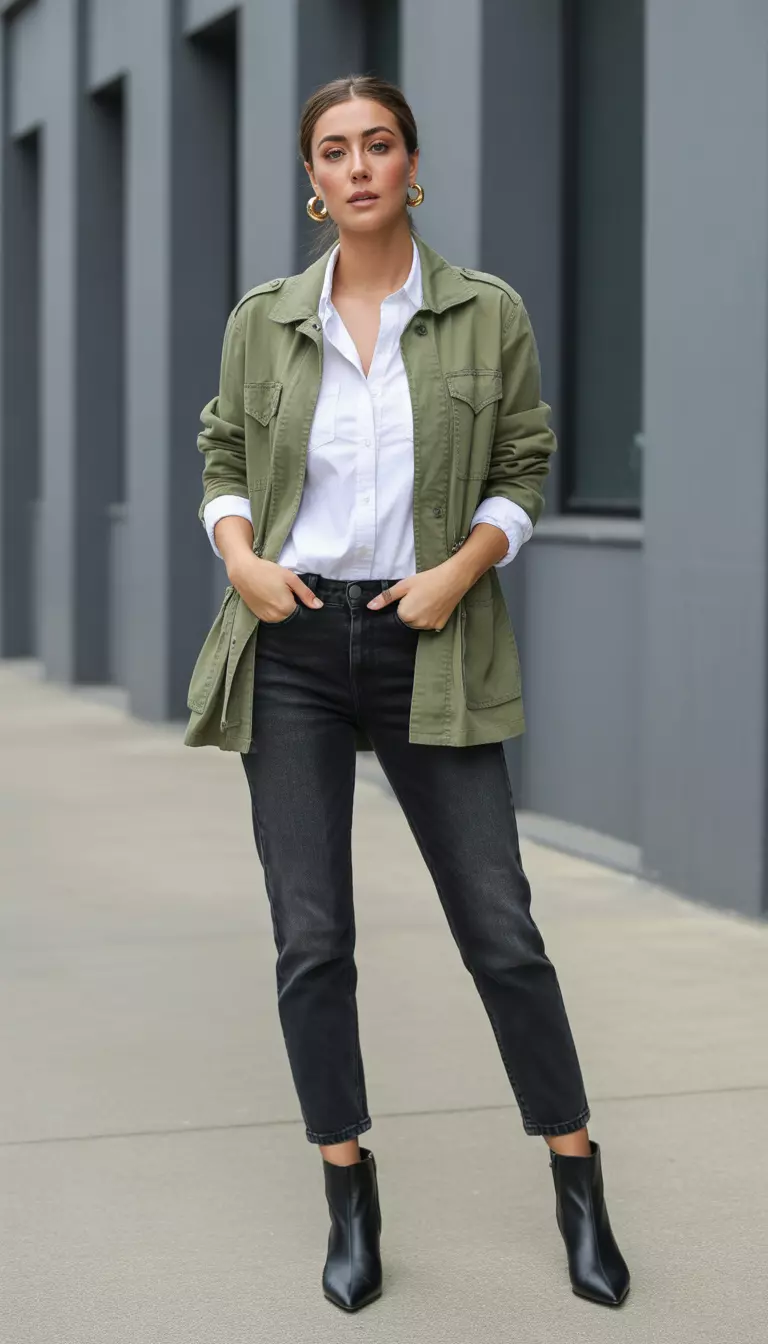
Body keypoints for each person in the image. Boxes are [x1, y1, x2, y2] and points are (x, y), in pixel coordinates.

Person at [185, 74, 630, 1314]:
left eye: (378, 144)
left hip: (430, 630)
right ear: (313, 181)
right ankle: (348, 1189)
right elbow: (224, 451)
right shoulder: (265, 320)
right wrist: (240, 558)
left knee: (500, 926)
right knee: (312, 936)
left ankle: (577, 1177)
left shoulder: (487, 313)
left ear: (412, 165)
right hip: (292, 638)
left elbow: (525, 464)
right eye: (335, 150)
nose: (359, 166)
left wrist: (460, 572)